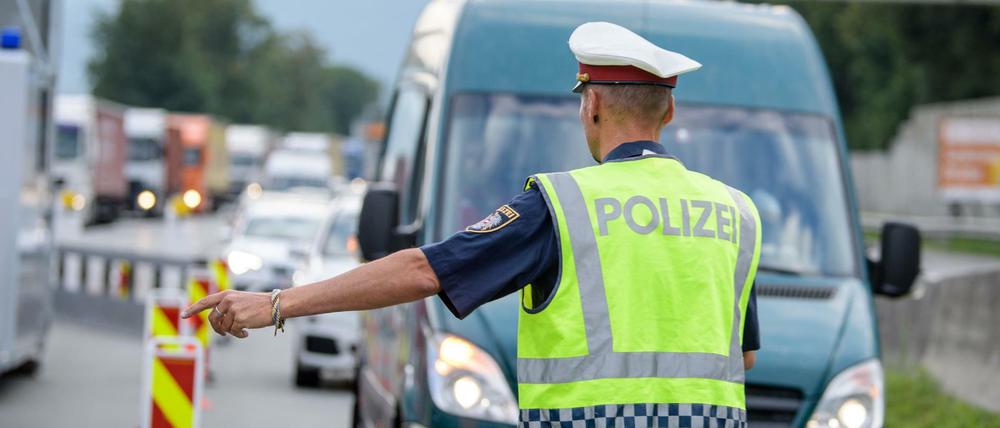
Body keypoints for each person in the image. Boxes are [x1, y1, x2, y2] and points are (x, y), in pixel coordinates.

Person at [184, 21, 761, 428]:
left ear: (593, 107)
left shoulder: (561, 205)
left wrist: (277, 304)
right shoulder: (736, 213)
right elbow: (744, 356)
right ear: (670, 110)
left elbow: (422, 270)